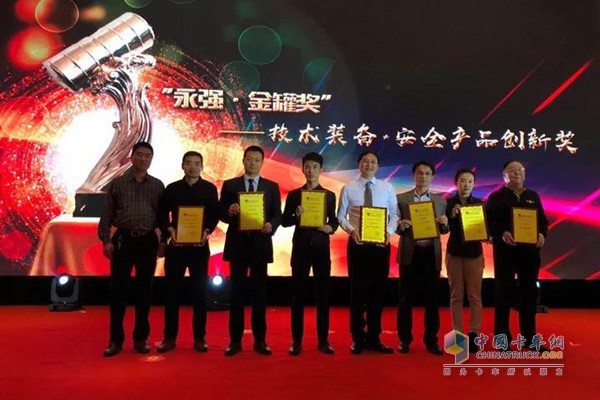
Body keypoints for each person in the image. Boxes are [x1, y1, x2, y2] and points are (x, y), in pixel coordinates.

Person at [98, 142, 165, 357]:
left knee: (145, 292)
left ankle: (140, 339)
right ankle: (115, 341)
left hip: (147, 241)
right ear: (131, 156)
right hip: (123, 240)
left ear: (151, 160)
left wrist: (164, 241)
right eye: (140, 155)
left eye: (148, 156)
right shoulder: (117, 184)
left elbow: (163, 218)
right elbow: (107, 215)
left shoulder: (157, 185)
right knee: (118, 292)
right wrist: (106, 241)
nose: (144, 159)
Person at [218, 145, 282, 356]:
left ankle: (260, 341)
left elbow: (277, 214)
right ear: (243, 160)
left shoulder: (271, 187)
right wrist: (229, 211)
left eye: (257, 160)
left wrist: (271, 225)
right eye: (249, 159)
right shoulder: (230, 185)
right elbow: (221, 214)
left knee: (259, 296)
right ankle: (235, 341)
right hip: (238, 246)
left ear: (262, 163)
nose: (252, 163)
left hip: (260, 246)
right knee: (236, 295)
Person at [156, 151, 219, 353]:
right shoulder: (172, 189)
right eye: (188, 163)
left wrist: (207, 230)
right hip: (176, 248)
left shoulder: (209, 189)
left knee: (200, 293)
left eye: (196, 163)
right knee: (172, 293)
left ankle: (199, 338)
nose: (192, 167)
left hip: (199, 248)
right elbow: (162, 215)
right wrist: (169, 229)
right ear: (182, 166)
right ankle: (169, 337)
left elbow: (214, 215)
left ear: (202, 167)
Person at [337, 151, 399, 355]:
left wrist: (388, 233)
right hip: (358, 245)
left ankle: (374, 337)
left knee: (377, 292)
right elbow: (340, 216)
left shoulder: (387, 187)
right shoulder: (348, 188)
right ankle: (358, 338)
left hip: (381, 246)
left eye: (373, 162)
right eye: (366, 161)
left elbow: (395, 215)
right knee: (357, 292)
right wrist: (351, 230)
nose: (369, 165)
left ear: (378, 166)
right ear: (359, 164)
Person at [486, 160, 548, 351]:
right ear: (504, 175)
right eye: (512, 170)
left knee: (529, 295)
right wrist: (502, 232)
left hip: (529, 254)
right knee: (503, 294)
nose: (517, 173)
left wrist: (541, 234)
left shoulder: (533, 196)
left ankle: (530, 339)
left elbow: (542, 222)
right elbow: (489, 223)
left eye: (520, 170)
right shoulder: (496, 197)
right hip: (505, 253)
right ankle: (502, 340)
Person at [282, 152, 338, 355]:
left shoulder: (329, 195)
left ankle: (323, 341)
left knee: (323, 296)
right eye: (307, 167)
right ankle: (296, 341)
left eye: (315, 167)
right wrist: (295, 216)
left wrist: (330, 228)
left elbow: (334, 220)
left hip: (321, 250)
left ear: (321, 170)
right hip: (301, 249)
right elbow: (285, 221)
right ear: (302, 169)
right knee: (298, 296)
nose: (311, 171)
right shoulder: (294, 195)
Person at [396, 160, 449, 355]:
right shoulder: (401, 199)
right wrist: (400, 225)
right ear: (414, 175)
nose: (423, 176)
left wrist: (444, 223)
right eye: (420, 173)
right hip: (410, 253)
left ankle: (431, 340)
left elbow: (444, 230)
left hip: (430, 254)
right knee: (405, 299)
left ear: (432, 177)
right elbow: (395, 225)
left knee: (432, 300)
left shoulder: (440, 201)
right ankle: (404, 340)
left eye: (427, 173)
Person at [445, 168, 485, 350]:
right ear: (456, 183)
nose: (466, 184)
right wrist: (451, 216)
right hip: (454, 254)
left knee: (475, 296)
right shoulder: (448, 203)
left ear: (474, 184)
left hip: (474, 254)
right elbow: (443, 229)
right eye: (463, 180)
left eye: (470, 181)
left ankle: (474, 334)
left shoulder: (479, 205)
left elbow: (485, 230)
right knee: (456, 296)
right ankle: (458, 335)